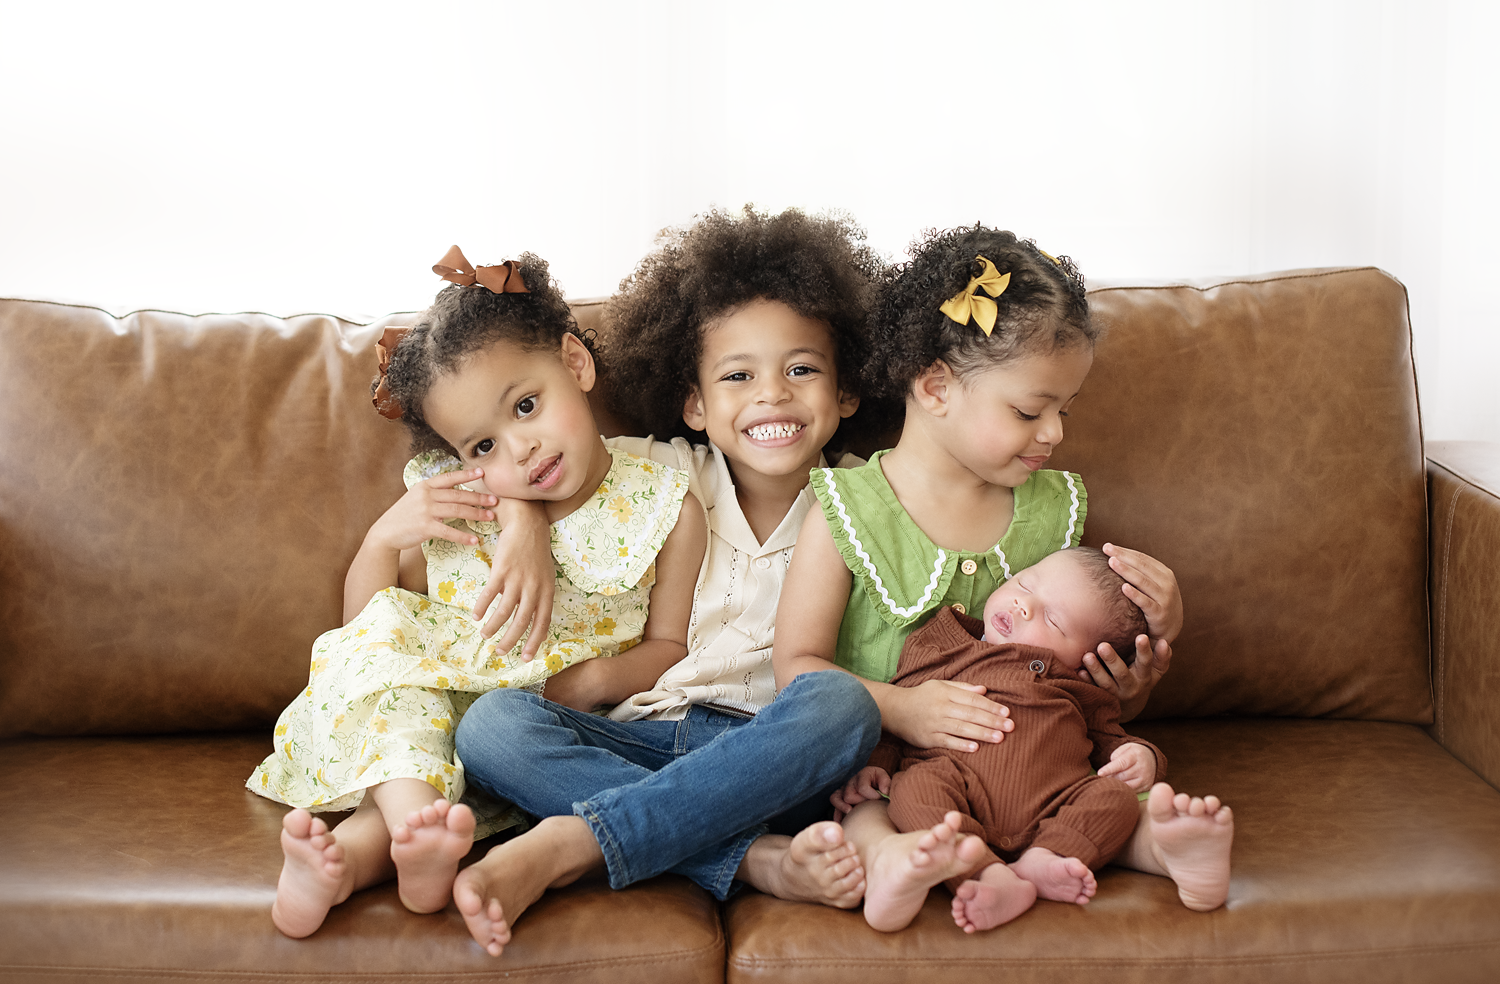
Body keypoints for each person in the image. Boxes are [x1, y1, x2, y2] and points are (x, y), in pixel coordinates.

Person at [449, 207, 888, 957]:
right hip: (635, 740)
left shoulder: (872, 500)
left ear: (846, 391)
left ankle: (579, 840)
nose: (772, 394)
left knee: (843, 705)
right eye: (738, 375)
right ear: (695, 404)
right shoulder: (655, 470)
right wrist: (522, 522)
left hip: (773, 761)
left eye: (802, 368)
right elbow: (530, 462)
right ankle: (746, 859)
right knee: (490, 724)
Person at [772, 225, 1233, 935]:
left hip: (1040, 770)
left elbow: (1077, 684)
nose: (1052, 433)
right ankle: (899, 858)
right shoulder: (846, 510)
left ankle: (1164, 849)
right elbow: (795, 672)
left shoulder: (1052, 512)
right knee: (864, 805)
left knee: (1113, 795)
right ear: (934, 387)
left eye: (1063, 411)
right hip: (901, 769)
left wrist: (1139, 664)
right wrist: (904, 711)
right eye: (1029, 410)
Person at [247, 248, 705, 939]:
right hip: (428, 714)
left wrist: (598, 681)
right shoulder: (455, 499)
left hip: (530, 723)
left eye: (526, 406)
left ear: (575, 365)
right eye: (482, 446)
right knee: (408, 730)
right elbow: (367, 636)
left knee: (450, 774)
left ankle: (384, 848)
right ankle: (389, 848)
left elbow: (671, 643)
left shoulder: (666, 505)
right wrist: (380, 543)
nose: (518, 450)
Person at [833, 547, 1225, 933]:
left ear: (1084, 659)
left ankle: (1043, 860)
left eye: (1053, 620)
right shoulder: (941, 642)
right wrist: (878, 764)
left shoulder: (1076, 686)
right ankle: (981, 872)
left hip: (1053, 802)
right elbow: (901, 709)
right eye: (1024, 582)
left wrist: (1141, 755)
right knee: (913, 790)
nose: (1024, 605)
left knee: (1114, 797)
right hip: (952, 780)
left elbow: (1112, 736)